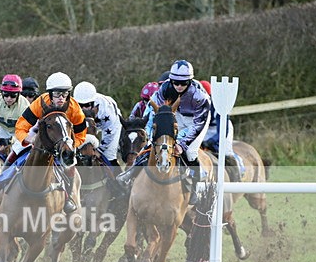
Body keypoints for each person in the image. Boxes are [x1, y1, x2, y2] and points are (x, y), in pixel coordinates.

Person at [0, 72, 87, 213]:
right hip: (38, 137)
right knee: (16, 153)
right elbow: (21, 126)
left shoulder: (75, 109)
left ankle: (68, 197)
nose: (61, 98)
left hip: (62, 142)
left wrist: (69, 146)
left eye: (65, 94)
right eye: (58, 94)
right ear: (50, 94)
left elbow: (81, 134)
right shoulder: (39, 103)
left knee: (70, 165)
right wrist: (28, 139)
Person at [116, 59, 211, 205]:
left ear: (190, 81)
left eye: (183, 83)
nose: (179, 86)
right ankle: (131, 172)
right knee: (156, 145)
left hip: (197, 120)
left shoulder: (200, 96)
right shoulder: (165, 88)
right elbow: (151, 111)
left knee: (189, 152)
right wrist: (148, 135)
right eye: (176, 82)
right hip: (177, 114)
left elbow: (197, 125)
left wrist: (182, 144)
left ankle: (195, 188)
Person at [73, 81, 123, 175]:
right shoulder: (72, 106)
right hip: (90, 123)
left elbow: (110, 134)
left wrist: (99, 151)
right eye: (80, 105)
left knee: (108, 155)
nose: (83, 108)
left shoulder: (106, 110)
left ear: (93, 103)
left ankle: (118, 182)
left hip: (109, 125)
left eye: (87, 105)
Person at [198, 79, 242, 183]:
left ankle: (237, 177)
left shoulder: (218, 105)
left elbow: (223, 131)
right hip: (205, 128)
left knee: (225, 152)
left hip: (221, 128)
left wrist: (210, 142)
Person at [0, 74, 30, 163]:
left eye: (13, 95)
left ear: (18, 94)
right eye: (6, 94)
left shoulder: (25, 106)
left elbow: (26, 130)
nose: (9, 98)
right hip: (2, 130)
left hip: (20, 133)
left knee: (15, 153)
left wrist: (11, 140)